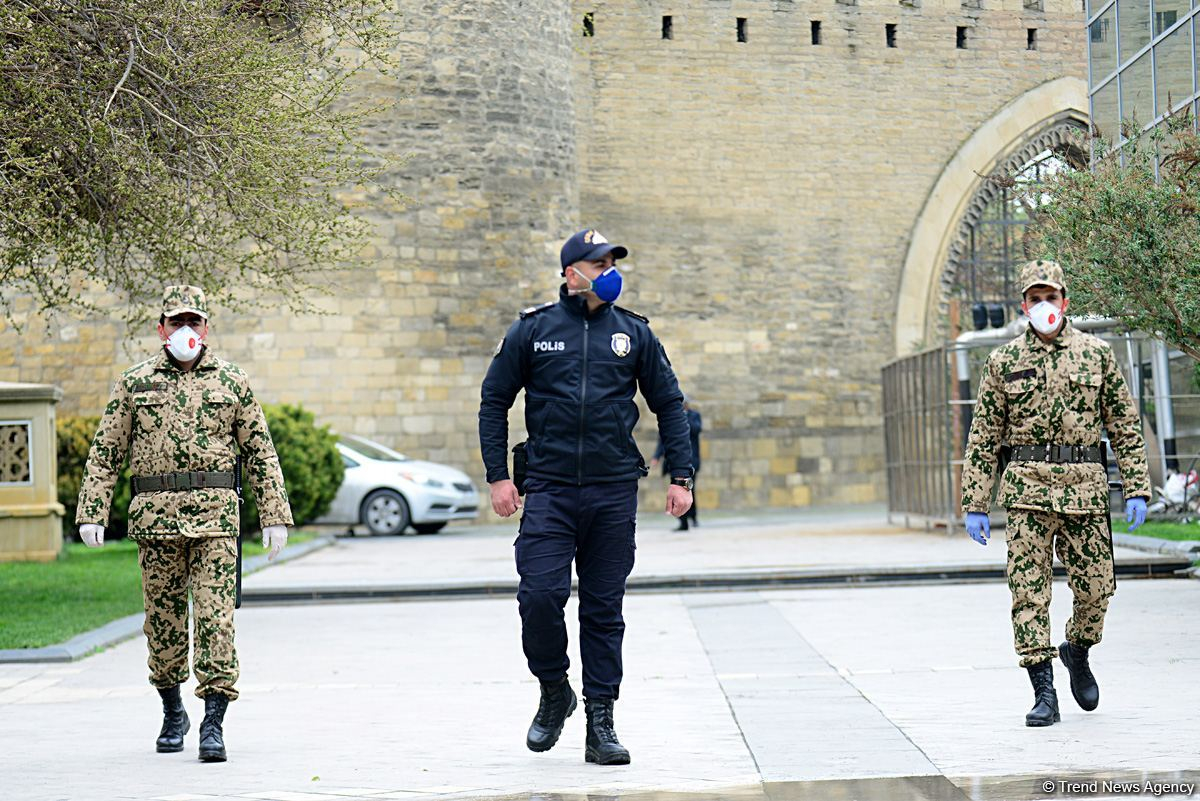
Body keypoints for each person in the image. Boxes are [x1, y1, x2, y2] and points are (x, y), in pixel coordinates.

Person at [479, 228, 694, 765]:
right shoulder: (533, 330)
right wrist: (497, 476)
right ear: (572, 272)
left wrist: (682, 476)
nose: (610, 270)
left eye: (612, 262)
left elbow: (669, 403)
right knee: (539, 598)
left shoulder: (633, 334)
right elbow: (493, 400)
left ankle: (602, 722)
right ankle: (555, 691)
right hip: (548, 489)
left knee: (604, 610)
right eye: (599, 263)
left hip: (612, 489)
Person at [76, 286, 293, 762]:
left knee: (217, 621)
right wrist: (92, 510)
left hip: (216, 522)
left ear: (206, 329)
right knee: (164, 623)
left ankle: (213, 722)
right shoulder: (134, 383)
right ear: (161, 329)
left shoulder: (232, 381)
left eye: (194, 322)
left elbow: (259, 450)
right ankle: (173, 710)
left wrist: (275, 515)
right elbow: (106, 450)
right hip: (156, 522)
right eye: (177, 322)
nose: (186, 331)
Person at [960, 260, 1150, 728]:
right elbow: (984, 434)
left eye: (1050, 296)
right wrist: (975, 503)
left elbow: (1124, 425)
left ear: (1065, 301)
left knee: (1097, 590)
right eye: (1034, 297)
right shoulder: (1003, 362)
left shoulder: (1096, 355)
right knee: (1029, 595)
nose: (1043, 305)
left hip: (1085, 489)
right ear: (1023, 305)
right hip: (1027, 492)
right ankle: (1044, 691)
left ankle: (1077, 650)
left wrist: (1137, 488)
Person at [652, 397, 702, 530]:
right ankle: (683, 522)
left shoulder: (694, 416)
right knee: (679, 489)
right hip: (675, 462)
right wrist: (657, 456)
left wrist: (682, 418)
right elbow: (663, 439)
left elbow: (696, 429)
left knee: (690, 490)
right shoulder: (670, 418)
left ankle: (693, 517)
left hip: (692, 461)